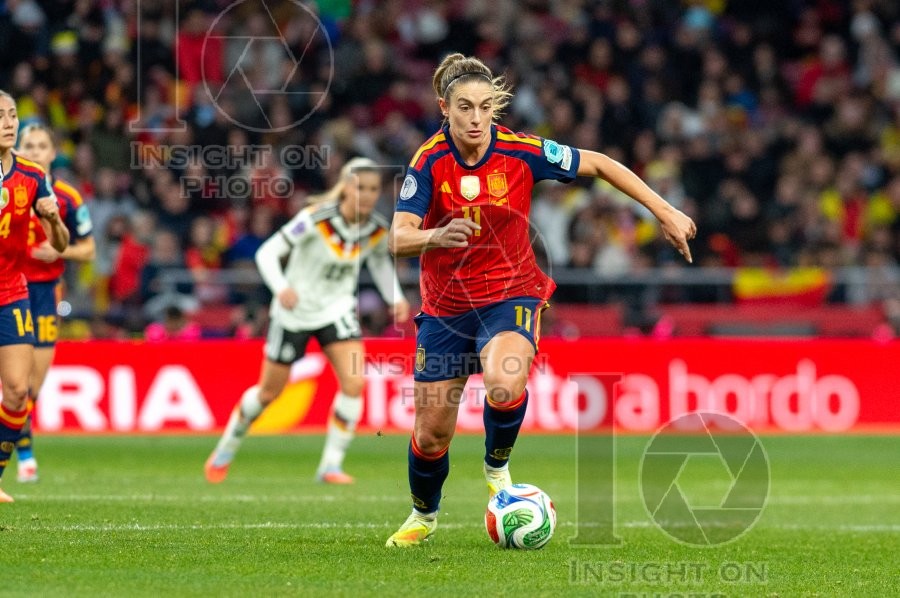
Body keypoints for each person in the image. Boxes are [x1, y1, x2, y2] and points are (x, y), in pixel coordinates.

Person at [384, 54, 696, 547]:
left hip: (512, 292)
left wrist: (664, 209)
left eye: (486, 107)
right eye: (465, 107)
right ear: (445, 107)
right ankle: (424, 515)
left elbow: (597, 163)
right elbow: (397, 238)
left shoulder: (521, 150)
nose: (476, 119)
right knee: (431, 435)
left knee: (505, 382)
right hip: (446, 307)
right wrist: (436, 236)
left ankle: (498, 470)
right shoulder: (427, 162)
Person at [205, 157, 410, 484]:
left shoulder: (375, 228)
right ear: (345, 188)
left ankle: (330, 466)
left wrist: (395, 297)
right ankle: (226, 447)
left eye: (374, 189)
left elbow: (380, 264)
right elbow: (267, 253)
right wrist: (281, 288)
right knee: (269, 393)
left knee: (354, 382)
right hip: (294, 313)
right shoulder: (314, 220)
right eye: (361, 188)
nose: (368, 195)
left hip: (337, 310)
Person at [16, 122, 96, 483]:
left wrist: (58, 251)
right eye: (28, 145)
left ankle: (22, 447)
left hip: (46, 292)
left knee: (32, 385)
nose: (34, 151)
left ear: (52, 153)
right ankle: (26, 455)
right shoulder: (8, 190)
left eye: (40, 145)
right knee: (13, 381)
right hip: (9, 285)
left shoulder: (67, 198)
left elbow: (90, 250)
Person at [0, 91, 70, 502]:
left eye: (12, 115)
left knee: (17, 391)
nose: (8, 122)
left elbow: (60, 243)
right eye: (0, 117)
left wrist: (52, 219)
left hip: (11, 291)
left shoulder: (30, 173)